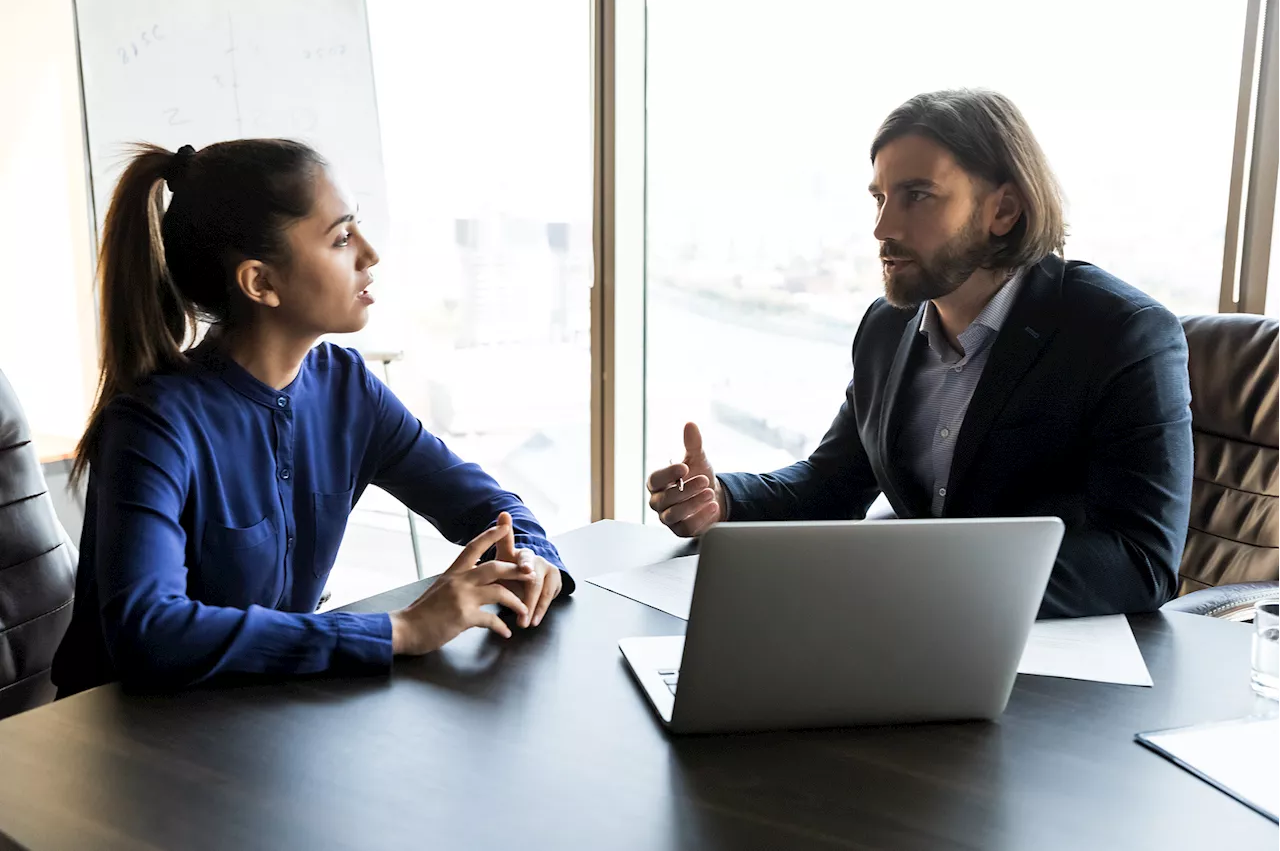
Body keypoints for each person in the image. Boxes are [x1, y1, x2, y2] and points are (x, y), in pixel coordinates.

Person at [52, 140, 572, 697]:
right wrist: (401, 629)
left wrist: (534, 561)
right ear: (261, 283)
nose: (370, 255)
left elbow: (490, 507)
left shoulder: (347, 388)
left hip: (262, 719)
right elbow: (150, 632)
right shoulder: (152, 426)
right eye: (342, 237)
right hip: (127, 744)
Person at [646, 89, 1193, 619]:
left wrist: (927, 581)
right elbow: (833, 483)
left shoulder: (1123, 334)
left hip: (1060, 669)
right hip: (910, 640)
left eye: (917, 196)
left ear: (1003, 209)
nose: (883, 228)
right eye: (880, 198)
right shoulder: (888, 328)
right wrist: (722, 499)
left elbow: (1141, 560)